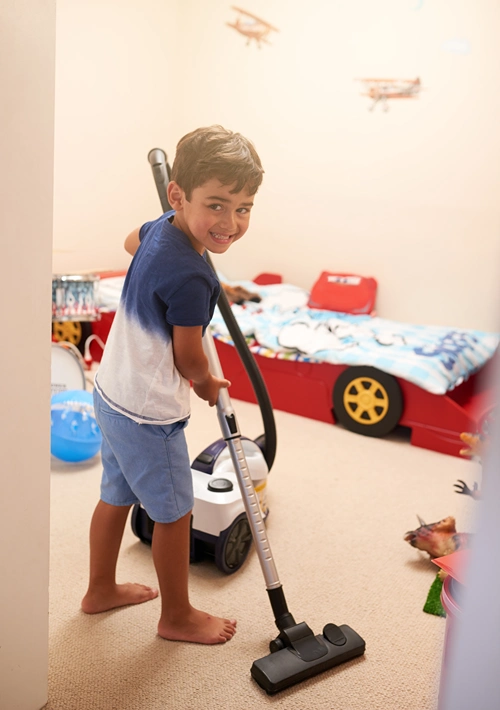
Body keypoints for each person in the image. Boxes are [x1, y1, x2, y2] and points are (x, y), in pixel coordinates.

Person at [81, 125, 264, 644]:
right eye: (217, 205)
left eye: (244, 208)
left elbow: (131, 241)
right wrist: (208, 383)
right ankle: (177, 616)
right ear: (178, 194)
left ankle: (99, 588)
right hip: (148, 414)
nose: (230, 222)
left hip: (111, 390)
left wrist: (198, 258)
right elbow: (188, 356)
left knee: (115, 494)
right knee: (175, 512)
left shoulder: (163, 227)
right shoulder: (191, 278)